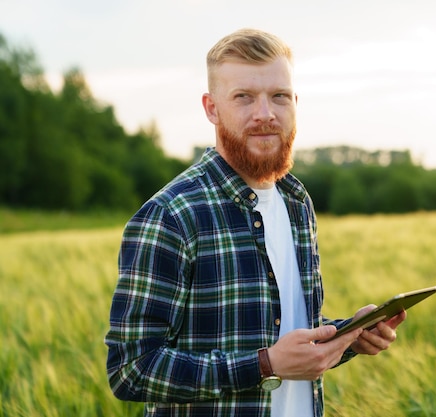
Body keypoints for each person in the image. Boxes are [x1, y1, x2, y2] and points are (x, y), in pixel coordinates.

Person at [105, 28, 407, 417]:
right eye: (244, 97)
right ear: (211, 108)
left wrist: (348, 334)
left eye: (279, 96)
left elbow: (285, 339)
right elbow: (130, 370)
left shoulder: (297, 204)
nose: (265, 114)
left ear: (295, 102)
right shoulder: (172, 216)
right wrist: (265, 365)